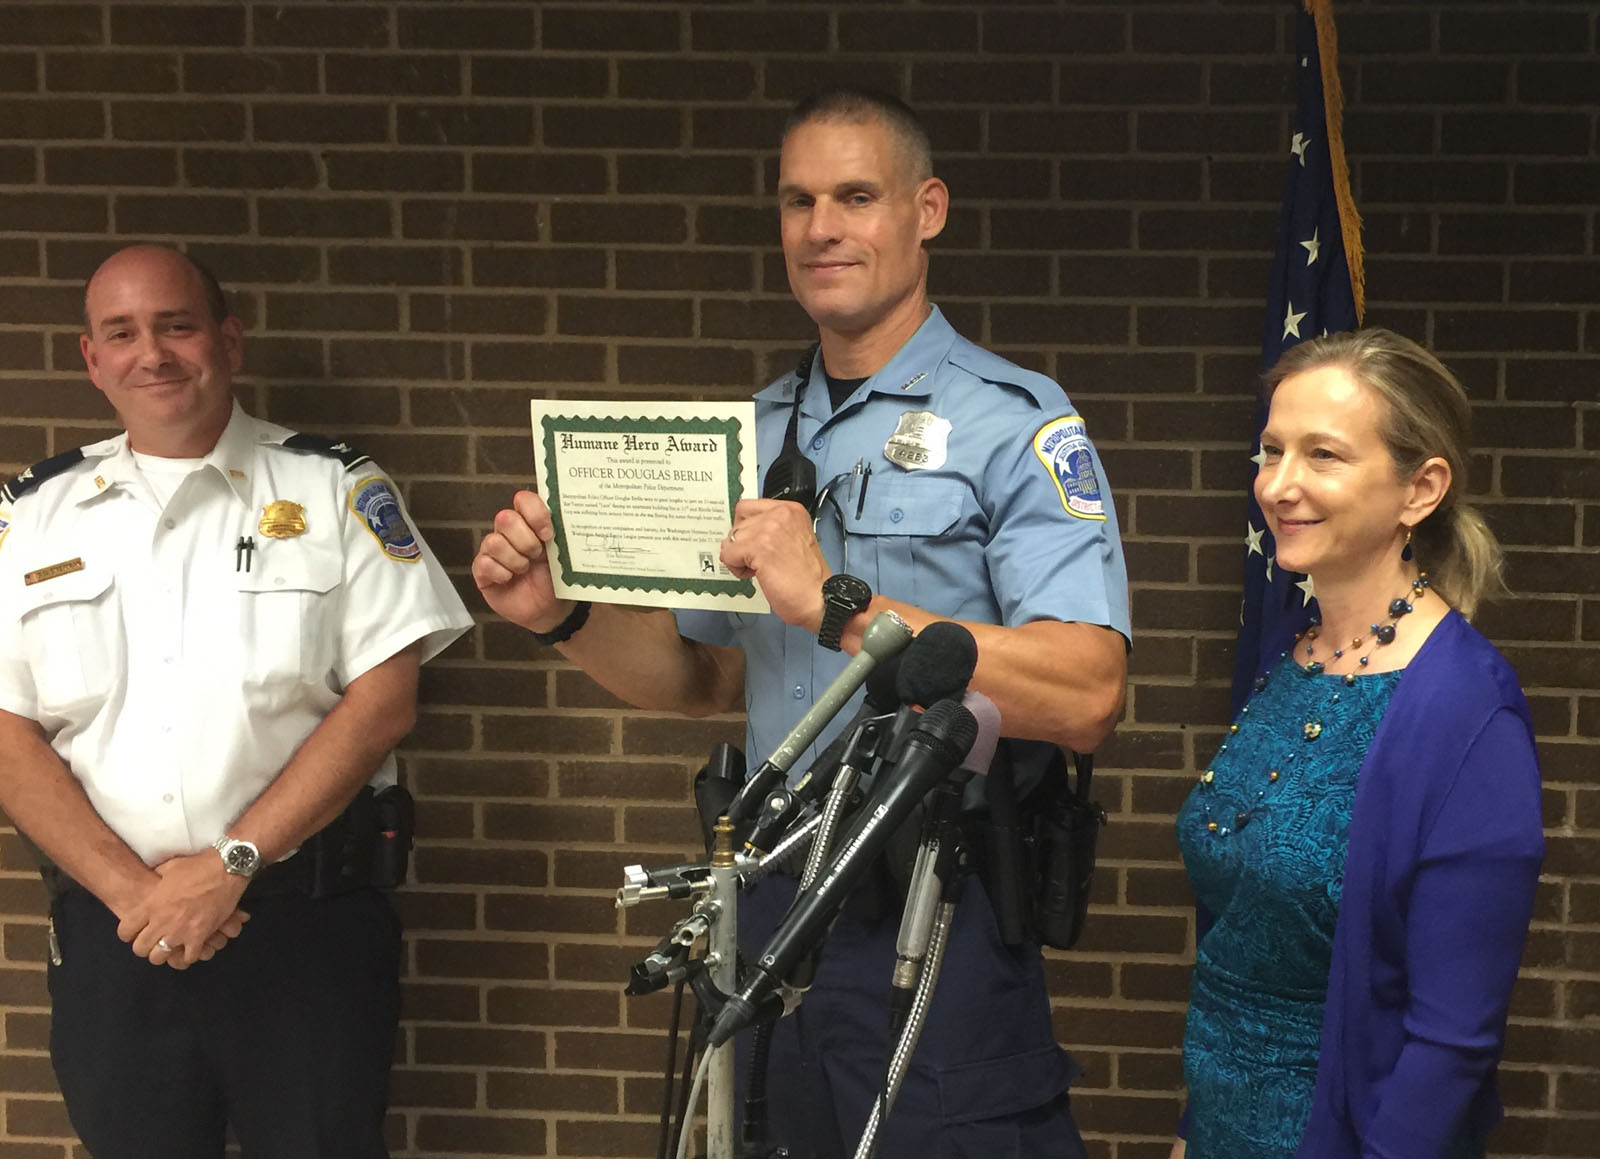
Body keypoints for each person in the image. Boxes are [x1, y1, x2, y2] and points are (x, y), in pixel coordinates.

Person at [475, 88, 1130, 1158]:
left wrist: (839, 604)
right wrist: (564, 616)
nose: (821, 227)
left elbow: (1088, 693)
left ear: (927, 210)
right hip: (771, 901)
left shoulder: (1014, 423)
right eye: (797, 200)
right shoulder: (756, 429)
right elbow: (706, 679)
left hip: (935, 906)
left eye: (856, 196)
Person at [0, 245, 472, 1159]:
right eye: (122, 333)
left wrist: (229, 865)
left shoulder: (334, 488)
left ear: (228, 340)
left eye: (176, 325)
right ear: (91, 359)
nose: (152, 353)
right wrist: (139, 895)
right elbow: (7, 730)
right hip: (118, 934)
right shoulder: (31, 516)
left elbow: (385, 701)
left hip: (302, 928)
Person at [1171, 329, 1544, 1159]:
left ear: (1421, 488)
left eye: (1324, 454)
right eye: (1272, 450)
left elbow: (1451, 1042)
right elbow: (1239, 937)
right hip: (1220, 1121)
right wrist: (1193, 1131)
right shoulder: (1293, 654)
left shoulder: (1465, 709)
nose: (1279, 484)